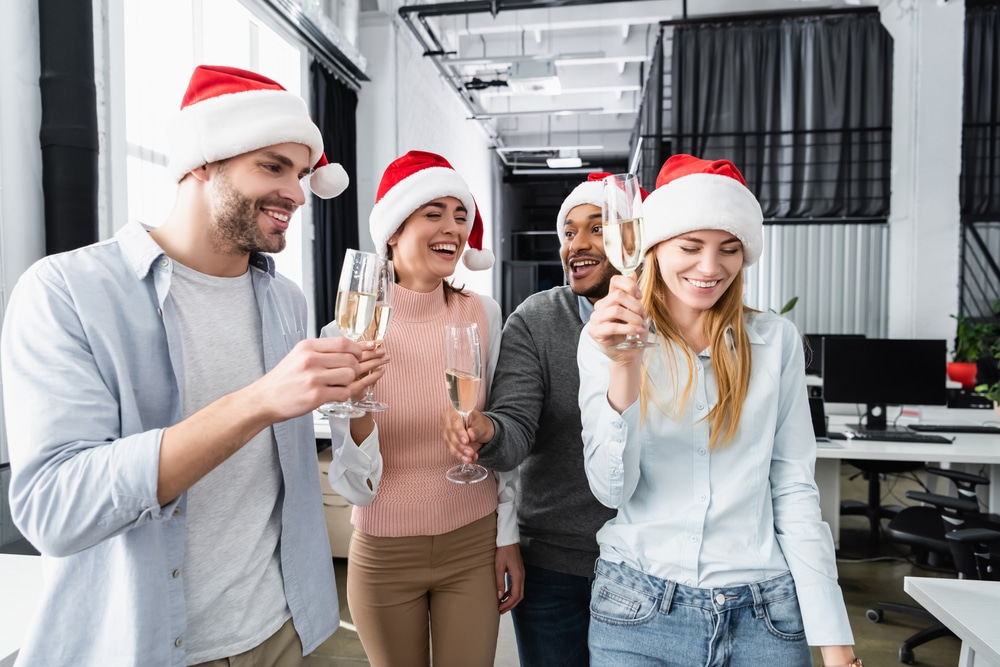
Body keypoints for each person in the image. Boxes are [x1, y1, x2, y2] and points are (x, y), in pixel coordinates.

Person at [0, 64, 385, 667]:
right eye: (272, 166)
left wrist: (353, 405)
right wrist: (259, 400)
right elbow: (55, 509)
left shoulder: (285, 301)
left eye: (302, 174)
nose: (296, 192)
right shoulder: (66, 291)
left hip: (282, 631)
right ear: (203, 162)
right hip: (141, 645)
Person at [578, 154, 861, 667]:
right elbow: (610, 490)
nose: (710, 268)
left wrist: (836, 644)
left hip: (765, 615)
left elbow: (794, 488)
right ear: (656, 246)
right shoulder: (607, 336)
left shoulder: (775, 342)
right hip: (638, 608)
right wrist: (624, 366)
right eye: (690, 247)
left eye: (729, 250)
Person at [325, 150, 524, 667]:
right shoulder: (346, 332)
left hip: (472, 542)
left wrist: (508, 537)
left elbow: (504, 433)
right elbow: (352, 486)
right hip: (385, 552)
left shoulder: (482, 312)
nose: (453, 228)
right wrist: (357, 407)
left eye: (461, 216)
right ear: (393, 230)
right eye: (433, 213)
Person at [441, 172, 623, 667]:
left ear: (634, 235)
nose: (577, 245)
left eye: (596, 228)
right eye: (568, 232)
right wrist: (488, 431)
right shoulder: (537, 319)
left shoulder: (673, 323)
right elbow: (515, 431)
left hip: (649, 563)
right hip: (555, 563)